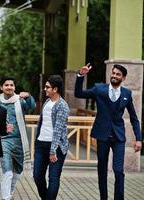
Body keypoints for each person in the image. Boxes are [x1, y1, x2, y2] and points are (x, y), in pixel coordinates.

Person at [74, 63, 142, 200]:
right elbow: (78, 93)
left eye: (118, 74)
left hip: (118, 137)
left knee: (118, 171)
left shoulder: (126, 94)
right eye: (113, 73)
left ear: (123, 78)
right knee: (102, 170)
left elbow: (134, 118)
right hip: (102, 135)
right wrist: (80, 75)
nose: (114, 76)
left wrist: (138, 138)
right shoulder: (99, 89)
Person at [0, 76, 36, 200]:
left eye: (11, 85)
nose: (9, 87)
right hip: (4, 139)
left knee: (17, 170)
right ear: (1, 87)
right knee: (7, 169)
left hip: (19, 140)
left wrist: (28, 96)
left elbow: (31, 106)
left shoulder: (20, 101)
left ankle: (10, 191)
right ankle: (6, 197)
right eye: (6, 85)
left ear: (14, 87)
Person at [33, 75, 69, 200]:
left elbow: (58, 130)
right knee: (37, 176)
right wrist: (37, 141)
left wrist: (53, 150)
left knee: (53, 178)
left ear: (55, 89)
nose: (45, 89)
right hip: (41, 144)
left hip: (56, 147)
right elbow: (42, 123)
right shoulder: (47, 102)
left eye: (47, 87)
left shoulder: (62, 106)